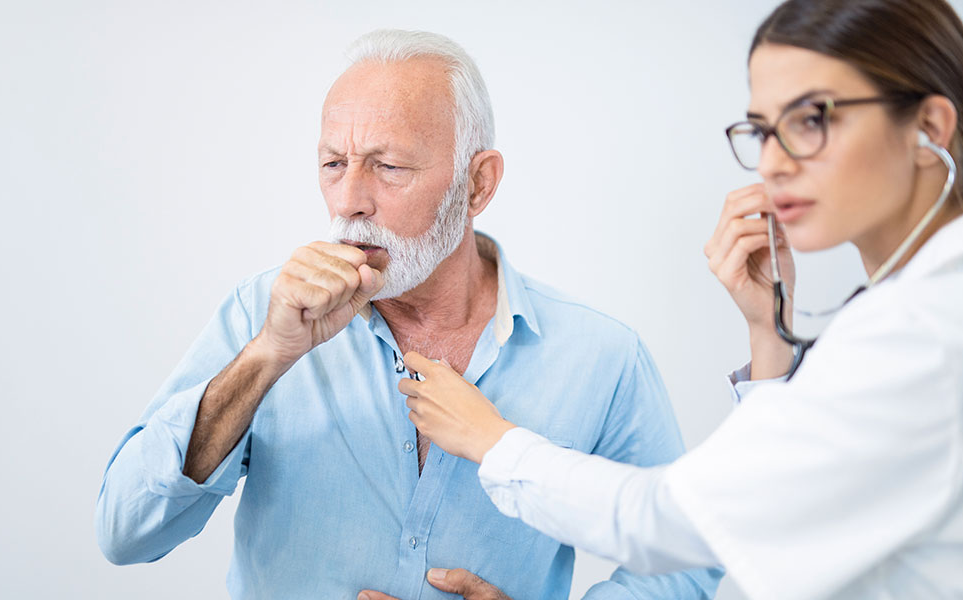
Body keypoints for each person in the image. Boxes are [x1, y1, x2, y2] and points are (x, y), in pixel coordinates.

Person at [397, 1, 963, 599]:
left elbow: (675, 524)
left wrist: (488, 437)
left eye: (811, 121)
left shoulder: (933, 329)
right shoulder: (944, 299)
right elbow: (776, 493)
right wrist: (769, 332)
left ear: (929, 128)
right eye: (764, 130)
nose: (773, 162)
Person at [94, 29, 721, 600]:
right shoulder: (260, 315)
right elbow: (126, 534)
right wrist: (268, 357)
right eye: (333, 164)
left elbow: (685, 563)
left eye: (389, 167)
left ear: (477, 184)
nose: (349, 201)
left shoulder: (599, 354)